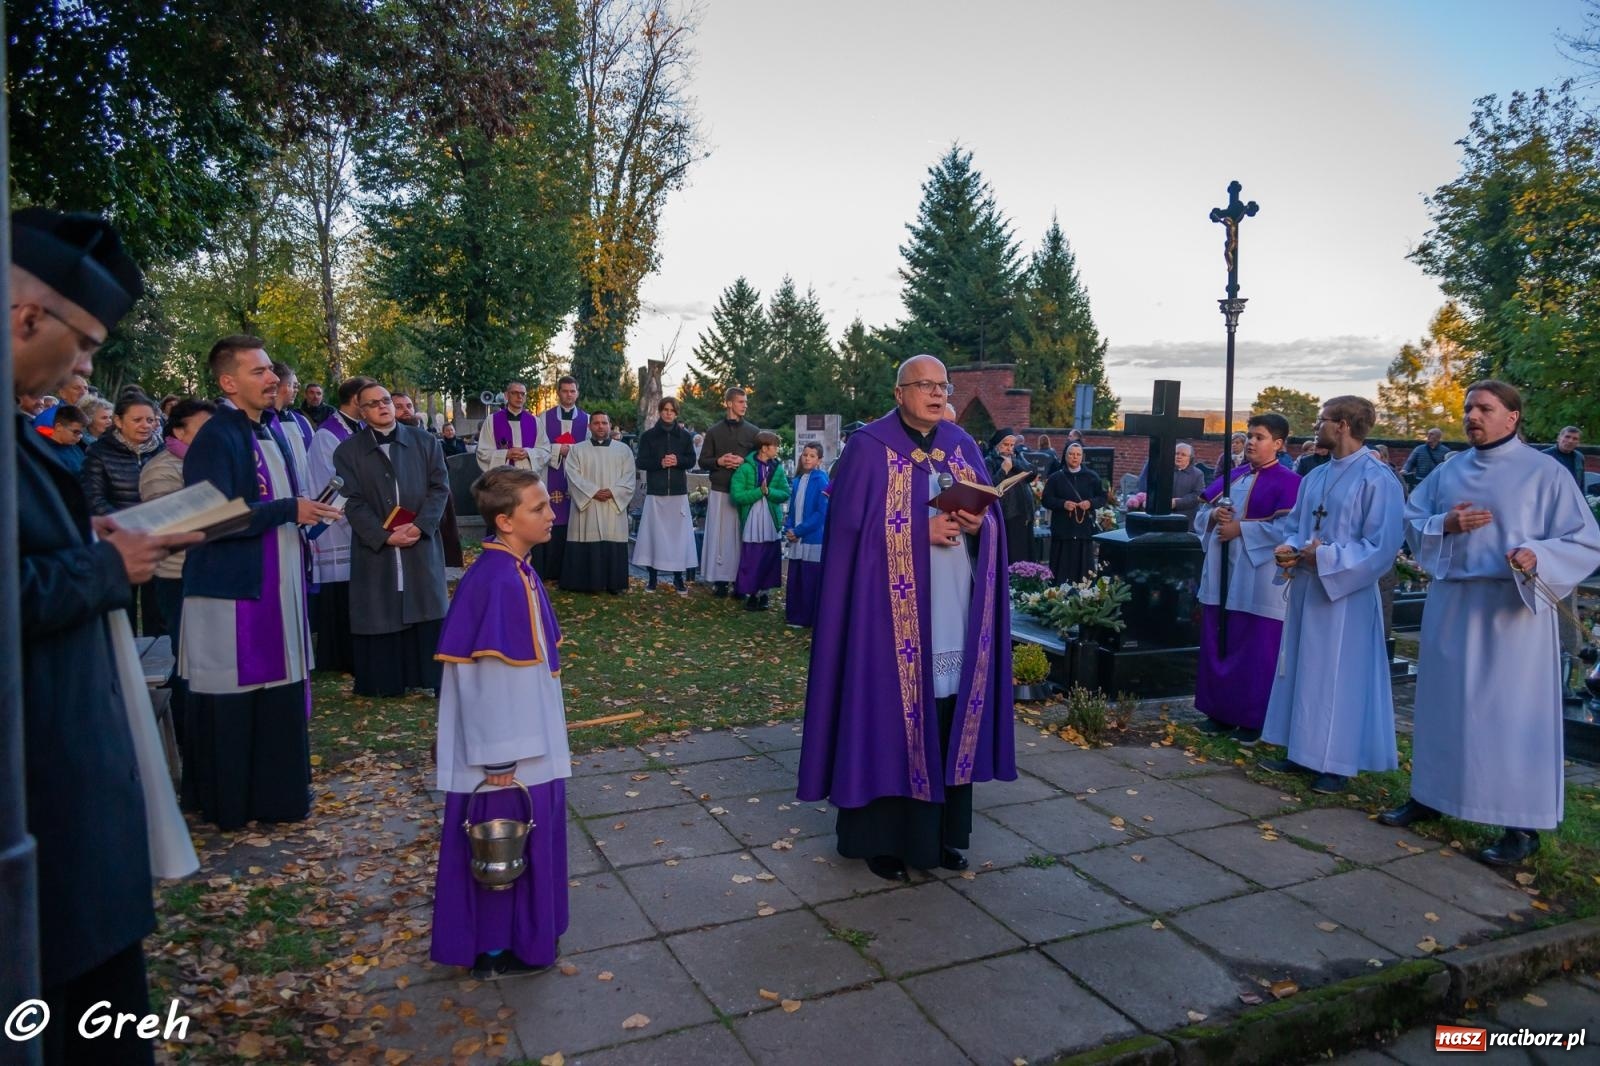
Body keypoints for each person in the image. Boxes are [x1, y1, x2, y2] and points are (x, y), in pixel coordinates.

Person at [13, 208, 203, 1065]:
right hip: (36, 781)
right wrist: (103, 570)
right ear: (27, 319)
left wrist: (91, 547)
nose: (88, 369)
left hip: (68, 766)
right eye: (86, 344)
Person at [798, 355, 1016, 882]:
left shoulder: (961, 446)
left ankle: (942, 835)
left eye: (943, 386)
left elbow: (993, 519)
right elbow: (846, 537)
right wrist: (917, 533)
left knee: (945, 712)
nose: (938, 394)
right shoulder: (869, 448)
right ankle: (883, 840)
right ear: (899, 393)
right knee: (884, 717)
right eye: (925, 385)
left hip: (953, 608)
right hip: (884, 620)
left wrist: (978, 522)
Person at [1380, 383, 1600, 865]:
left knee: (1510, 714)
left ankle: (1520, 825)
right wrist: (1446, 525)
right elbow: (1414, 519)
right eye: (1468, 409)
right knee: (1444, 706)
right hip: (1453, 600)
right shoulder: (1449, 469)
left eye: (1485, 409)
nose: (1472, 416)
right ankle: (1432, 795)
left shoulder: (1545, 473)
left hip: (1511, 611)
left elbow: (1585, 540)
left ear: (1512, 417)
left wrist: (1537, 554)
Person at [179, 337, 340, 830]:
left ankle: (279, 795)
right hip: (236, 594)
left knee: (278, 692)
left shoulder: (271, 430)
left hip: (281, 578)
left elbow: (281, 503)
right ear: (228, 383)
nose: (273, 379)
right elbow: (207, 518)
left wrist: (305, 516)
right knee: (236, 693)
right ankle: (233, 800)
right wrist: (287, 510)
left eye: (272, 370)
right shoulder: (216, 437)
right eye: (259, 372)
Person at [431, 467, 570, 979]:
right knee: (500, 848)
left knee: (524, 846)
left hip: (526, 740)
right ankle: (495, 949)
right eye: (539, 508)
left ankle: (525, 939)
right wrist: (497, 757)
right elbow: (486, 676)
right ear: (506, 521)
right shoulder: (496, 581)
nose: (551, 513)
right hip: (507, 755)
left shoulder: (517, 569)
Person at [1245, 396, 1405, 795]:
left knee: (1339, 677)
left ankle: (1336, 763)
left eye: (1322, 421)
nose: (1316, 427)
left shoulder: (1377, 478)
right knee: (1302, 667)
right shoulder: (1316, 475)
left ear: (1344, 425)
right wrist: (1291, 550)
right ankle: (1300, 750)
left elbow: (1382, 546)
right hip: (1308, 588)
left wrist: (1328, 558)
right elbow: (1297, 526)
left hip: (1345, 597)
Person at [334, 382, 451, 697]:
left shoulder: (425, 442)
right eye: (373, 403)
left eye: (386, 400)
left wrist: (421, 526)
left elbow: (439, 488)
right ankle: (387, 681)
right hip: (377, 549)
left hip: (419, 542)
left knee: (424, 602)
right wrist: (383, 535)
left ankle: (430, 677)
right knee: (382, 604)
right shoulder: (348, 451)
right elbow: (351, 501)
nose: (383, 406)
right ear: (361, 410)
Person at [1192, 414, 1301, 744]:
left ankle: (1253, 719)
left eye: (1260, 437)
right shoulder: (1233, 477)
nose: (1251, 442)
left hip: (1258, 579)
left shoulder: (1289, 483)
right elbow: (1199, 518)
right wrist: (1212, 516)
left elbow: (1289, 531)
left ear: (1279, 444)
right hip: (1223, 574)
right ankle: (1220, 712)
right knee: (1219, 640)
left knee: (1255, 649)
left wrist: (1243, 529)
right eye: (1250, 435)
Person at [140, 398, 217, 689]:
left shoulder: (208, 462)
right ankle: (187, 727)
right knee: (188, 659)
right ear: (179, 431)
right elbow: (169, 526)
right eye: (205, 429)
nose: (214, 436)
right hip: (178, 576)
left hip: (207, 569)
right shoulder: (161, 469)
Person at [305, 376, 371, 675]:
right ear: (356, 400)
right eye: (368, 398)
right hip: (337, 522)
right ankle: (338, 655)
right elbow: (332, 478)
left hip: (362, 516)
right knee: (340, 590)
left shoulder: (361, 427)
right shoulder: (327, 434)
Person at [559, 411, 637, 593]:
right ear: (589, 427)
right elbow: (572, 475)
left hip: (612, 504)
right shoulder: (577, 449)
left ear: (610, 426)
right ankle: (584, 583)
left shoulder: (623, 450)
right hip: (588, 504)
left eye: (604, 423)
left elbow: (629, 477)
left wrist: (612, 492)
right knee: (586, 536)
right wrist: (593, 492)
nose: (600, 426)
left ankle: (614, 584)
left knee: (612, 539)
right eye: (596, 423)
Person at [698, 387, 762, 597]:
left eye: (746, 402)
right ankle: (720, 581)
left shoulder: (753, 432)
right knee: (719, 538)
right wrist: (719, 461)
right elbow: (703, 461)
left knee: (741, 537)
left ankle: (740, 582)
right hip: (720, 490)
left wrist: (744, 461)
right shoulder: (714, 431)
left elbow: (760, 460)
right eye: (741, 402)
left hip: (744, 493)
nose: (745, 405)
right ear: (728, 403)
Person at [633, 396, 698, 594]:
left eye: (672, 410)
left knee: (678, 538)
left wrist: (677, 460)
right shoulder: (649, 436)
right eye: (665, 409)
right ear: (660, 411)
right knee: (654, 536)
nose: (668, 413)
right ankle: (652, 579)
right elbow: (641, 462)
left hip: (677, 493)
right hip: (657, 492)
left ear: (676, 413)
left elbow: (691, 460)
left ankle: (678, 578)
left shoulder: (685, 436)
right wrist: (659, 463)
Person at [529, 375, 589, 583]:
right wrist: (558, 449)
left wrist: (571, 451)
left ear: (577, 393)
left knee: (573, 519)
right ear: (558, 392)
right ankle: (548, 569)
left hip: (576, 477)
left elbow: (589, 451)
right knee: (549, 516)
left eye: (572, 391)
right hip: (550, 473)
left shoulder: (587, 420)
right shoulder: (543, 418)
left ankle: (570, 571)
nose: (569, 395)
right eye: (565, 391)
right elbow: (539, 447)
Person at [730, 430, 790, 611]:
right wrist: (759, 492)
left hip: (771, 518)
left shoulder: (777, 468)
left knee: (769, 556)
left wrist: (770, 492)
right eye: (775, 446)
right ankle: (751, 593)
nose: (777, 450)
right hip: (752, 518)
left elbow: (785, 493)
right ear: (764, 448)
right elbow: (737, 495)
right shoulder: (746, 468)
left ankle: (765, 593)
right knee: (752, 556)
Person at [81, 391, 164, 515]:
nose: (145, 425)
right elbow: (93, 498)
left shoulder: (163, 451)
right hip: (120, 528)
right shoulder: (99, 452)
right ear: (118, 421)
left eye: (150, 420)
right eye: (137, 420)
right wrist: (125, 523)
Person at [1042, 441, 1106, 584]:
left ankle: (1084, 595)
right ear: (1065, 456)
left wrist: (1090, 503)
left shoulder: (1091, 477)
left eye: (1078, 454)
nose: (1074, 457)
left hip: (1084, 530)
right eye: (1071, 454)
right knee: (1061, 567)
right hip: (1063, 530)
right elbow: (1046, 500)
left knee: (1083, 568)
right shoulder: (1055, 478)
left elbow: (1102, 497)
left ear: (1082, 457)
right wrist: (1062, 504)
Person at [783, 442, 830, 626]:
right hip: (796, 537)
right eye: (805, 455)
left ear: (819, 460)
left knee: (809, 579)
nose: (807, 458)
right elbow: (793, 509)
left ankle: (808, 616)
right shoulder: (797, 480)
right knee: (796, 577)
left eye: (812, 456)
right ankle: (794, 614)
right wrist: (789, 527)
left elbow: (821, 513)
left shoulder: (822, 481)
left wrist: (799, 530)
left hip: (812, 538)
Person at [986, 430, 1038, 565]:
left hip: (1024, 512)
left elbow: (1032, 472)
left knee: (1025, 553)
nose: (1009, 448)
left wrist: (1014, 463)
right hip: (1007, 514)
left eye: (1011, 445)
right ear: (997, 445)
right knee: (1011, 553)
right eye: (1005, 445)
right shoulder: (990, 461)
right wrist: (1003, 470)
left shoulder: (1017, 458)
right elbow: (990, 485)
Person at [267, 361, 315, 492]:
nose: (296, 390)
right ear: (283, 386)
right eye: (294, 385)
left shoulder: (301, 421)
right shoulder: (262, 422)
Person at [1136, 442, 1207, 523]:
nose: (1179, 456)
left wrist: (1176, 503)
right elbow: (1145, 484)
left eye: (1183, 455)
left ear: (1190, 458)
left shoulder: (1197, 474)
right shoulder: (1162, 469)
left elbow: (1197, 495)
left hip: (1185, 518)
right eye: (1176, 453)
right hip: (1160, 516)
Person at [43, 402, 89, 474]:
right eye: (76, 432)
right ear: (59, 427)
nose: (80, 436)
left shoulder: (75, 447)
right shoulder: (47, 453)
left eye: (81, 433)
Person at [1542, 425, 1585, 492]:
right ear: (1559, 438)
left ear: (1578, 442)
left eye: (1575, 439)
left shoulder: (1579, 457)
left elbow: (1581, 483)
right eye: (1567, 437)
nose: (1570, 441)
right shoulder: (1544, 456)